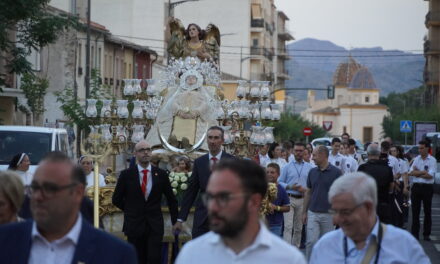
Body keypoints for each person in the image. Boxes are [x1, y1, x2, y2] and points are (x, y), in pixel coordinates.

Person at [0, 152, 137, 263]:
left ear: (77, 193)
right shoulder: (6, 239)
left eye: (49, 189)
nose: (38, 197)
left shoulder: (115, 253)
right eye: (34, 188)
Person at [175, 159, 306, 264]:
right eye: (210, 197)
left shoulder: (288, 258)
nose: (213, 207)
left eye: (223, 197)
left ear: (254, 202)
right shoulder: (192, 253)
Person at [310, 172, 430, 264]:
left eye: (345, 212)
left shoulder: (404, 245)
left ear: (368, 207)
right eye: (334, 211)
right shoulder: (324, 246)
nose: (335, 220)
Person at [113, 140, 178, 264]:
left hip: (154, 225)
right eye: (142, 150)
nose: (146, 152)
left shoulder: (161, 174)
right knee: (137, 259)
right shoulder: (126, 175)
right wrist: (131, 210)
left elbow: (171, 199)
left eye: (148, 149)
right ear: (135, 153)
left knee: (154, 258)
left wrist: (175, 221)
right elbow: (116, 199)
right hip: (134, 224)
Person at [173, 126, 234, 238]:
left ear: (222, 141)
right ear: (206, 140)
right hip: (202, 221)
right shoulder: (199, 162)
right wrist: (180, 219)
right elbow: (191, 191)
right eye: (210, 138)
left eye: (216, 138)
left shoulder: (232, 161)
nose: (212, 141)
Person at [302, 145, 342, 258]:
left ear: (323, 155)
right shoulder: (312, 172)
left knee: (327, 244)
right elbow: (308, 192)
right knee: (311, 242)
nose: (312, 158)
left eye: (314, 155)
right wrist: (304, 212)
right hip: (313, 213)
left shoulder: (337, 173)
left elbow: (340, 195)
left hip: (329, 214)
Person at [278, 142, 313, 247]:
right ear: (293, 152)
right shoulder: (287, 166)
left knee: (299, 228)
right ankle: (286, 250)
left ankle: (295, 249)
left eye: (301, 151)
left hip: (303, 199)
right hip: (289, 199)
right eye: (296, 151)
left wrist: (304, 190)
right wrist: (290, 187)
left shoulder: (309, 167)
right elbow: (279, 182)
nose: (298, 153)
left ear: (304, 152)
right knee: (288, 227)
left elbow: (312, 186)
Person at [408, 140, 437, 241]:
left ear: (427, 148)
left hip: (427, 188)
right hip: (416, 187)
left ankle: (426, 234)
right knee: (415, 212)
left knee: (427, 211)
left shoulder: (432, 160)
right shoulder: (416, 159)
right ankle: (415, 234)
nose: (419, 150)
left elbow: (430, 176)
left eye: (422, 148)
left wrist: (417, 172)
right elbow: (410, 172)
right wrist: (422, 172)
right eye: (419, 148)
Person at [358, 143, 394, 224]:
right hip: (383, 206)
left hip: (366, 206)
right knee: (383, 232)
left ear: (367, 154)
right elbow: (391, 188)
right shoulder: (387, 169)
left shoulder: (362, 168)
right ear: (379, 153)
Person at [265, 163, 290, 237]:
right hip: (261, 224)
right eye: (267, 172)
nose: (269, 174)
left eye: (272, 172)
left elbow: (287, 208)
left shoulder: (282, 190)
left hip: (275, 225)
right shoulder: (261, 187)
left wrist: (276, 207)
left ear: (278, 174)